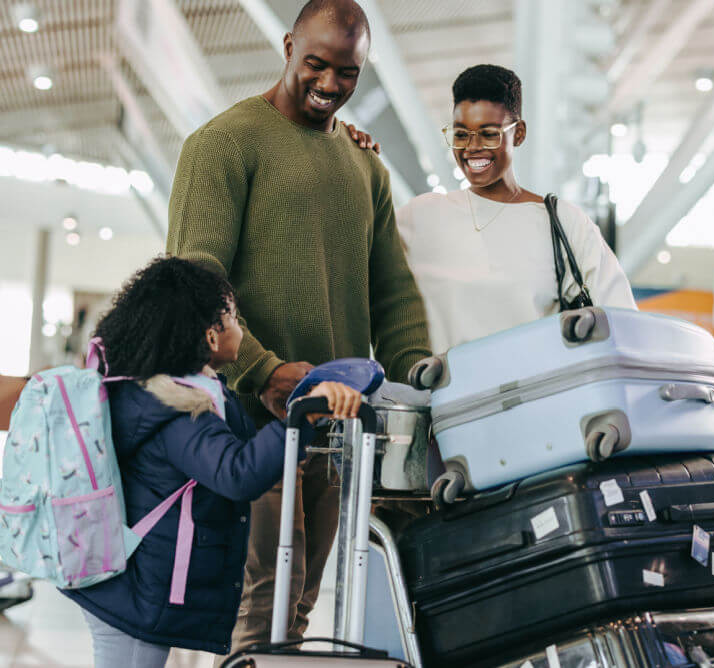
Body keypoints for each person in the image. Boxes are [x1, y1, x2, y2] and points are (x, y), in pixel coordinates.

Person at [165, 0, 432, 651]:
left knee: (299, 602)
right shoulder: (224, 144)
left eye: (348, 72)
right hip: (248, 421)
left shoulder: (365, 166)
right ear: (287, 46)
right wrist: (263, 370)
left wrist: (423, 368)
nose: (330, 84)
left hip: (336, 423)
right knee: (258, 601)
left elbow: (391, 290)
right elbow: (195, 283)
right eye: (316, 64)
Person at [61, 257, 362, 667]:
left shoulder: (172, 392)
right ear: (212, 335)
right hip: (135, 592)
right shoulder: (178, 407)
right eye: (235, 318)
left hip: (132, 578)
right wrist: (303, 417)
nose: (241, 329)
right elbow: (236, 473)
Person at [396, 64, 637, 354]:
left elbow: (624, 322)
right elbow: (355, 274)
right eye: (461, 135)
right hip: (444, 396)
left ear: (519, 133)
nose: (472, 148)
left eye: (488, 134)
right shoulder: (420, 216)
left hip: (535, 395)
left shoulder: (562, 222)